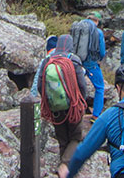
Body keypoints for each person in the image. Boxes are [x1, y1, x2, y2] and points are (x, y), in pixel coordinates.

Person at [35, 33, 92, 168]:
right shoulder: (73, 59)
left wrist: (49, 101)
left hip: (54, 107)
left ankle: (63, 163)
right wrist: (80, 102)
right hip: (72, 105)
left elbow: (40, 85)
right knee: (76, 137)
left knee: (62, 138)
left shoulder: (47, 60)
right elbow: (82, 85)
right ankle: (65, 165)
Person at [70, 8, 106, 115]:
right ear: (97, 21)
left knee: (76, 87)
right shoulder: (98, 31)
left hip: (76, 62)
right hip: (91, 64)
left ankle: (75, 112)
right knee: (99, 88)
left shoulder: (78, 27)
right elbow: (102, 52)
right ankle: (95, 116)